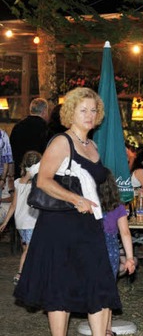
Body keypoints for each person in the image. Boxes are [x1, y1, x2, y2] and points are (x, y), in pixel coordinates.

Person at [14, 87, 121, 336]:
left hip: (88, 226)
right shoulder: (62, 141)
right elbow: (43, 180)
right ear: (71, 113)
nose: (89, 115)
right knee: (60, 288)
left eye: (93, 110)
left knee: (98, 281)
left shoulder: (92, 146)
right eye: (83, 110)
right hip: (59, 227)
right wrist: (75, 199)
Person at [98, 170, 136, 336]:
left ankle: (98, 328)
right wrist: (129, 258)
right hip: (111, 251)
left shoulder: (87, 205)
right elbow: (125, 233)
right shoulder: (119, 207)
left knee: (95, 290)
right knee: (108, 289)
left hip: (91, 249)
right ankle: (106, 329)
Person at [0, 151, 41, 286]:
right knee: (29, 250)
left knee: (26, 249)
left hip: (20, 222)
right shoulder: (38, 183)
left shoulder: (18, 182)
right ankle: (20, 274)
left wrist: (5, 222)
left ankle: (29, 272)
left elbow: (13, 205)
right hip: (31, 221)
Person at [10, 97, 49, 173]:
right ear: (44, 112)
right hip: (39, 171)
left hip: (20, 170)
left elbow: (12, 149)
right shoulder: (45, 128)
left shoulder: (17, 126)